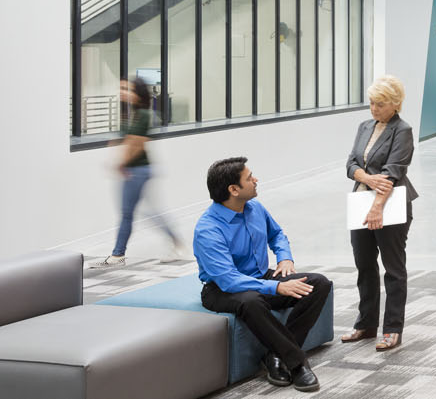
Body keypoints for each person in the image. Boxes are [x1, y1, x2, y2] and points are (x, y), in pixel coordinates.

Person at [194, 157, 331, 393]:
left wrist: (284, 257)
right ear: (233, 189)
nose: (255, 180)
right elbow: (228, 279)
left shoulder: (255, 207)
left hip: (260, 276)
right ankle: (297, 364)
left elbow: (276, 235)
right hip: (222, 289)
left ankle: (275, 356)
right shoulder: (208, 229)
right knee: (251, 301)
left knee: (318, 284)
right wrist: (276, 288)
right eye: (249, 178)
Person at [343, 75, 417, 353]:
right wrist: (368, 179)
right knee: (364, 265)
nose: (374, 109)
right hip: (361, 202)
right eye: (372, 103)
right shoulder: (364, 126)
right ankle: (366, 323)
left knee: (393, 269)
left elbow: (393, 172)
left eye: (380, 104)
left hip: (390, 206)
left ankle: (392, 329)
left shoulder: (403, 130)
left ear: (395, 104)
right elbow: (350, 164)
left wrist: (377, 206)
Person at [90, 77, 186, 267]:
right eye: (123, 89)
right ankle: (175, 241)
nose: (123, 93)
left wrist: (121, 163)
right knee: (145, 212)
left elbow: (138, 144)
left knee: (128, 213)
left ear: (138, 94)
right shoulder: (133, 113)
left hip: (138, 171)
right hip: (136, 170)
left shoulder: (143, 114)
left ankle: (118, 255)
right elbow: (128, 139)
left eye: (128, 90)